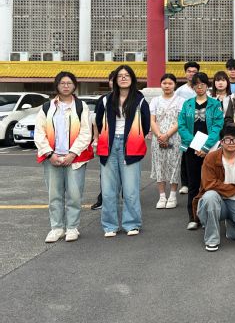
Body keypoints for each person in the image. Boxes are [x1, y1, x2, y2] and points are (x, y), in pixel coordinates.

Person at [35, 71, 93, 243]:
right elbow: (39, 133)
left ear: (74, 86)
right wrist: (49, 153)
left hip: (75, 158)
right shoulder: (47, 107)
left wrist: (72, 153)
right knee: (54, 195)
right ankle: (57, 228)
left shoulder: (81, 106)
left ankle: (72, 227)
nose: (66, 86)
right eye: (62, 83)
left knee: (74, 194)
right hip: (52, 158)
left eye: (69, 83)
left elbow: (86, 132)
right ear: (57, 86)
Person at [95, 65, 151, 237]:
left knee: (130, 189)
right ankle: (110, 226)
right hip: (109, 146)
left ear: (132, 79)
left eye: (127, 75)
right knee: (108, 190)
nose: (123, 78)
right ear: (115, 80)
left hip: (131, 146)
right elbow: (98, 121)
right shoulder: (105, 100)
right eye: (120, 76)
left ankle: (132, 224)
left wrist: (135, 137)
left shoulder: (140, 100)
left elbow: (146, 123)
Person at [178, 72, 225, 230]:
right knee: (193, 184)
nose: (200, 87)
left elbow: (218, 126)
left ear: (207, 86)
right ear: (193, 86)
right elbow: (182, 126)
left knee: (210, 183)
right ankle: (193, 217)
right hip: (191, 149)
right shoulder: (187, 104)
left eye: (203, 84)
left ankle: (208, 217)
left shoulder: (215, 104)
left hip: (210, 149)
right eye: (196, 84)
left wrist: (205, 147)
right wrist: (195, 145)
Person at [149, 73, 185, 210]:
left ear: (175, 85)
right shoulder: (155, 101)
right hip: (157, 137)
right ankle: (162, 196)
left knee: (174, 164)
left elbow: (180, 120)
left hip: (175, 137)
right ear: (161, 84)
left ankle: (173, 195)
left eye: (170, 83)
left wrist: (167, 135)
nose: (167, 86)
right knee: (160, 165)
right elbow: (152, 120)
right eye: (164, 83)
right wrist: (159, 135)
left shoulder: (181, 101)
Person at [91, 70, 116, 211]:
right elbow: (96, 122)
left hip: (126, 142)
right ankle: (103, 199)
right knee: (105, 172)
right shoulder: (103, 99)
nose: (114, 82)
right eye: (112, 80)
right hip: (106, 141)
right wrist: (96, 139)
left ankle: (125, 198)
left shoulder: (132, 98)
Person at [175, 61, 200, 195]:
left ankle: (198, 182)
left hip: (199, 127)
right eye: (189, 71)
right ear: (185, 73)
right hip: (185, 128)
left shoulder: (202, 88)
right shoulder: (180, 91)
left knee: (198, 154)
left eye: (194, 72)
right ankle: (185, 183)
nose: (191, 74)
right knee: (184, 155)